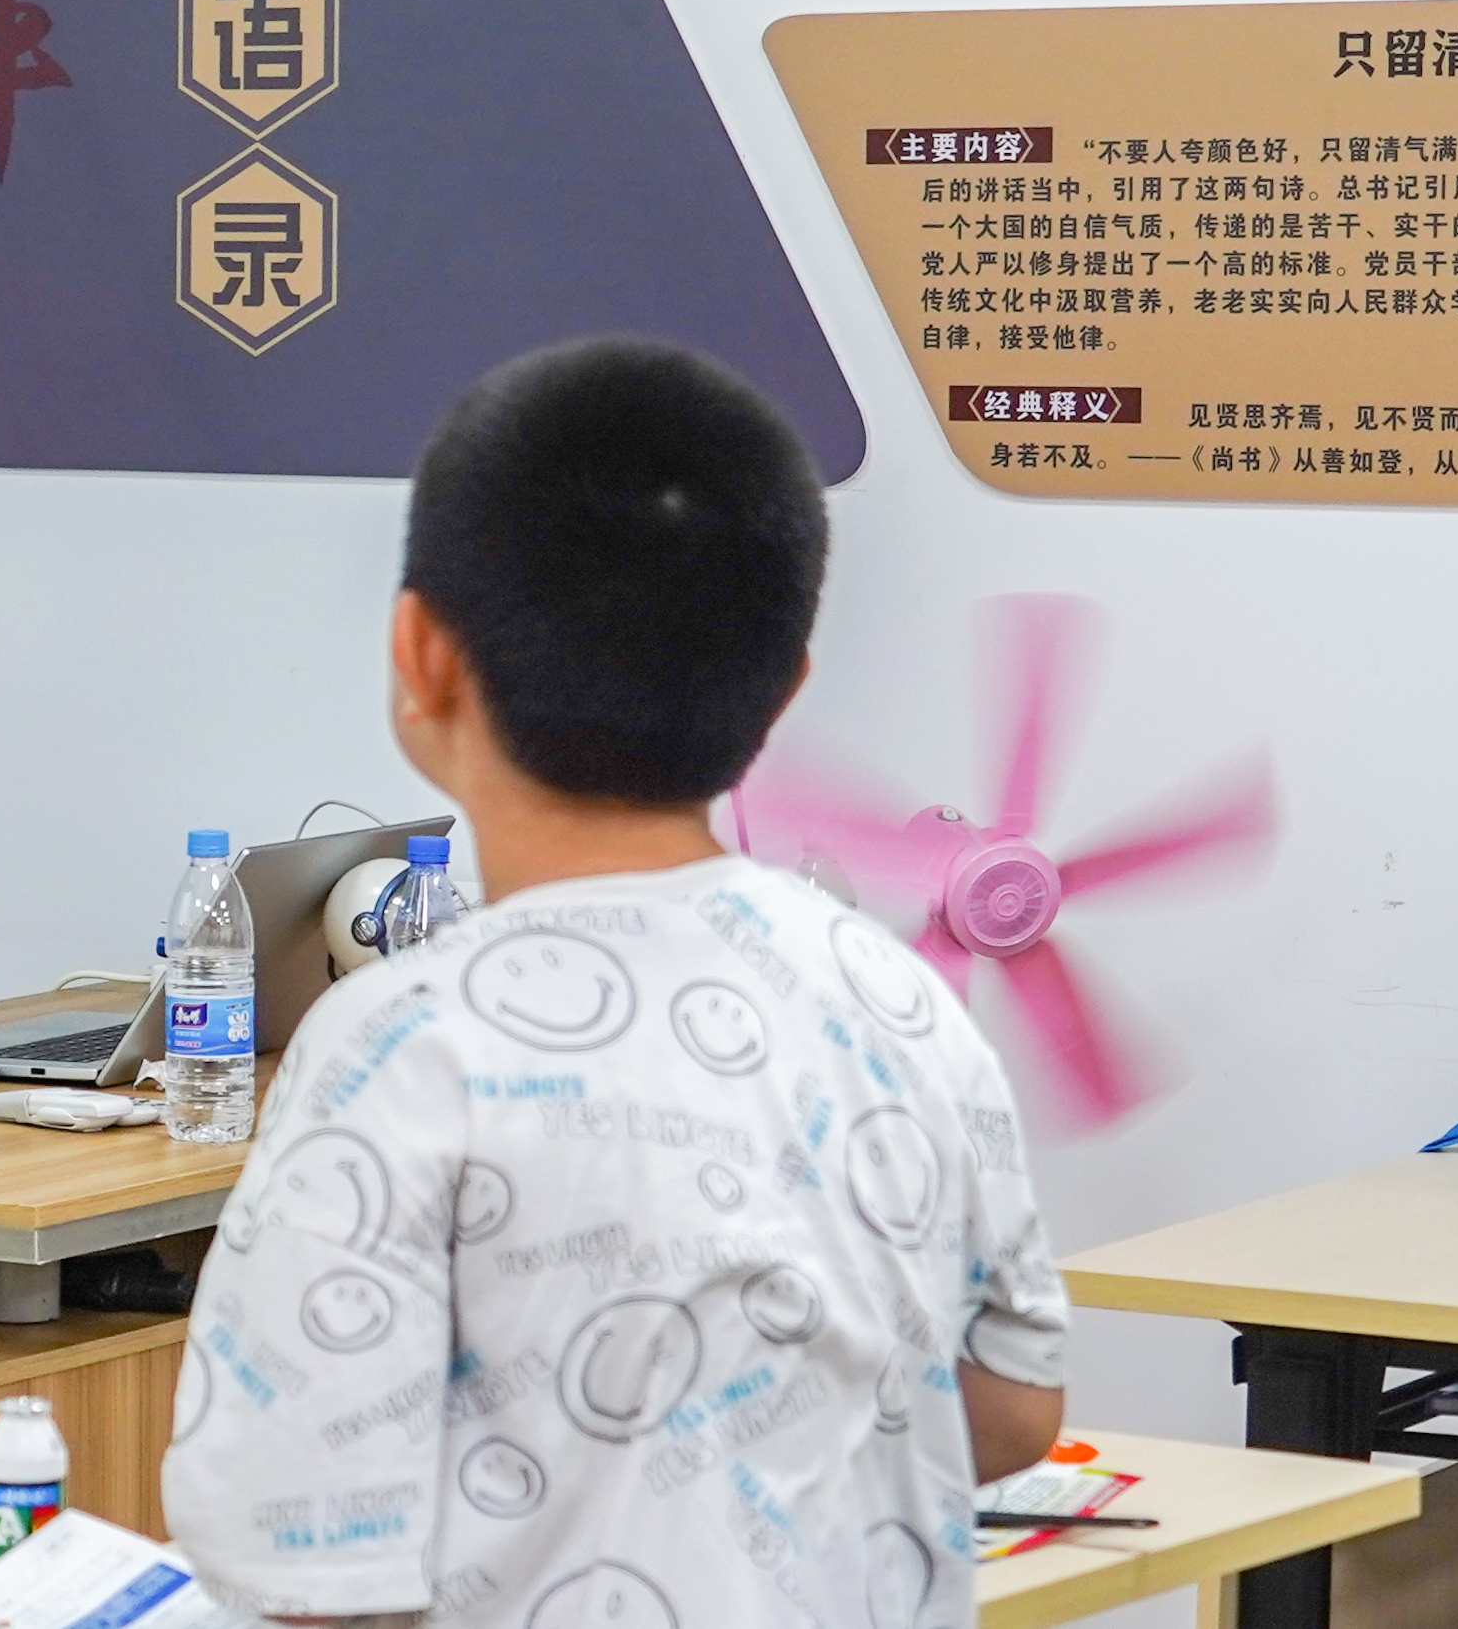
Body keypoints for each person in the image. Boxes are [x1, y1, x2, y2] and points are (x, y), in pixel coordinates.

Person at [160, 338, 1068, 1629]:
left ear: (420, 655)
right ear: (782, 692)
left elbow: (298, 1555)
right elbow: (1019, 1410)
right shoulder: (902, 999)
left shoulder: (400, 1047)